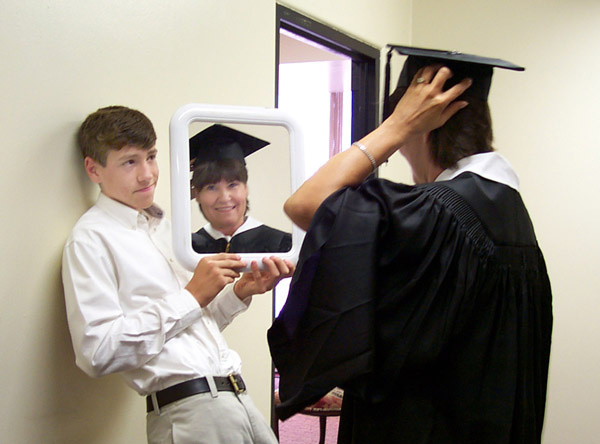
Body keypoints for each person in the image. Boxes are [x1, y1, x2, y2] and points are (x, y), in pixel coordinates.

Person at [268, 46, 552, 444]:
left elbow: (304, 204)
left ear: (423, 121)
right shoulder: (508, 210)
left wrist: (395, 126)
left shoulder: (441, 212)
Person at [62, 106, 293, 444]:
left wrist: (239, 293)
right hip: (189, 412)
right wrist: (191, 296)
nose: (148, 175)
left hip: (236, 396)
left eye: (151, 157)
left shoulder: (165, 230)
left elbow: (191, 322)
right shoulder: (90, 239)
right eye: (130, 162)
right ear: (93, 169)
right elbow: (96, 353)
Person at [189, 124, 292, 254]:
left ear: (246, 188)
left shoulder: (282, 245)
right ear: (196, 194)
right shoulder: (189, 248)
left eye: (232, 185)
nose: (224, 198)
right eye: (211, 187)